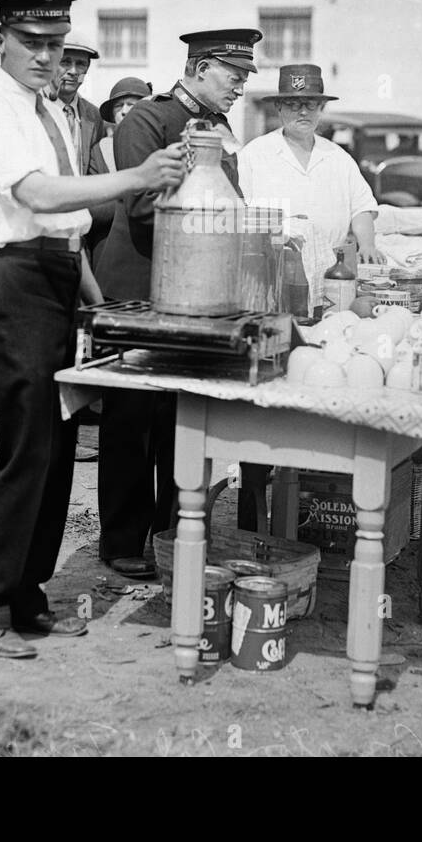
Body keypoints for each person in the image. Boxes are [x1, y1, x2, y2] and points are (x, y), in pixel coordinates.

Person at [0, 0, 184, 658]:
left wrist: (95, 299)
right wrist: (132, 176)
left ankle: (25, 594)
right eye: (33, 43)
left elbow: (66, 227)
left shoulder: (50, 110)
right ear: (0, 43)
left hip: (55, 280)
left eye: (56, 44)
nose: (47, 57)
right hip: (10, 283)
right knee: (26, 454)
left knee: (54, 458)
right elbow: (37, 194)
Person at [95, 29, 261, 576]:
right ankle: (121, 541)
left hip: (195, 295)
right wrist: (203, 177)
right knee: (131, 420)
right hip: (140, 289)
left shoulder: (217, 130)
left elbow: (233, 207)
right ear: (201, 67)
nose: (240, 87)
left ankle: (169, 535)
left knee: (181, 417)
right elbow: (143, 205)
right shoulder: (147, 118)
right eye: (234, 75)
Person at [237, 63, 386, 308]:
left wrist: (368, 244)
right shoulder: (255, 153)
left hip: (331, 273)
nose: (302, 112)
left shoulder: (337, 157)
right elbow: (240, 213)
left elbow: (361, 207)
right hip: (274, 273)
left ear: (321, 108)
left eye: (310, 105)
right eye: (293, 105)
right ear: (279, 107)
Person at [85, 75, 151, 267]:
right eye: (118, 106)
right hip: (108, 252)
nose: (124, 111)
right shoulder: (99, 150)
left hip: (149, 251)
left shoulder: (161, 148)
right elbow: (91, 208)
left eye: (132, 104)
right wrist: (136, 202)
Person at [53, 30, 105, 175]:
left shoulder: (93, 115)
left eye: (81, 64)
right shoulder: (36, 107)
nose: (73, 71)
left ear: (87, 69)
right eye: (65, 62)